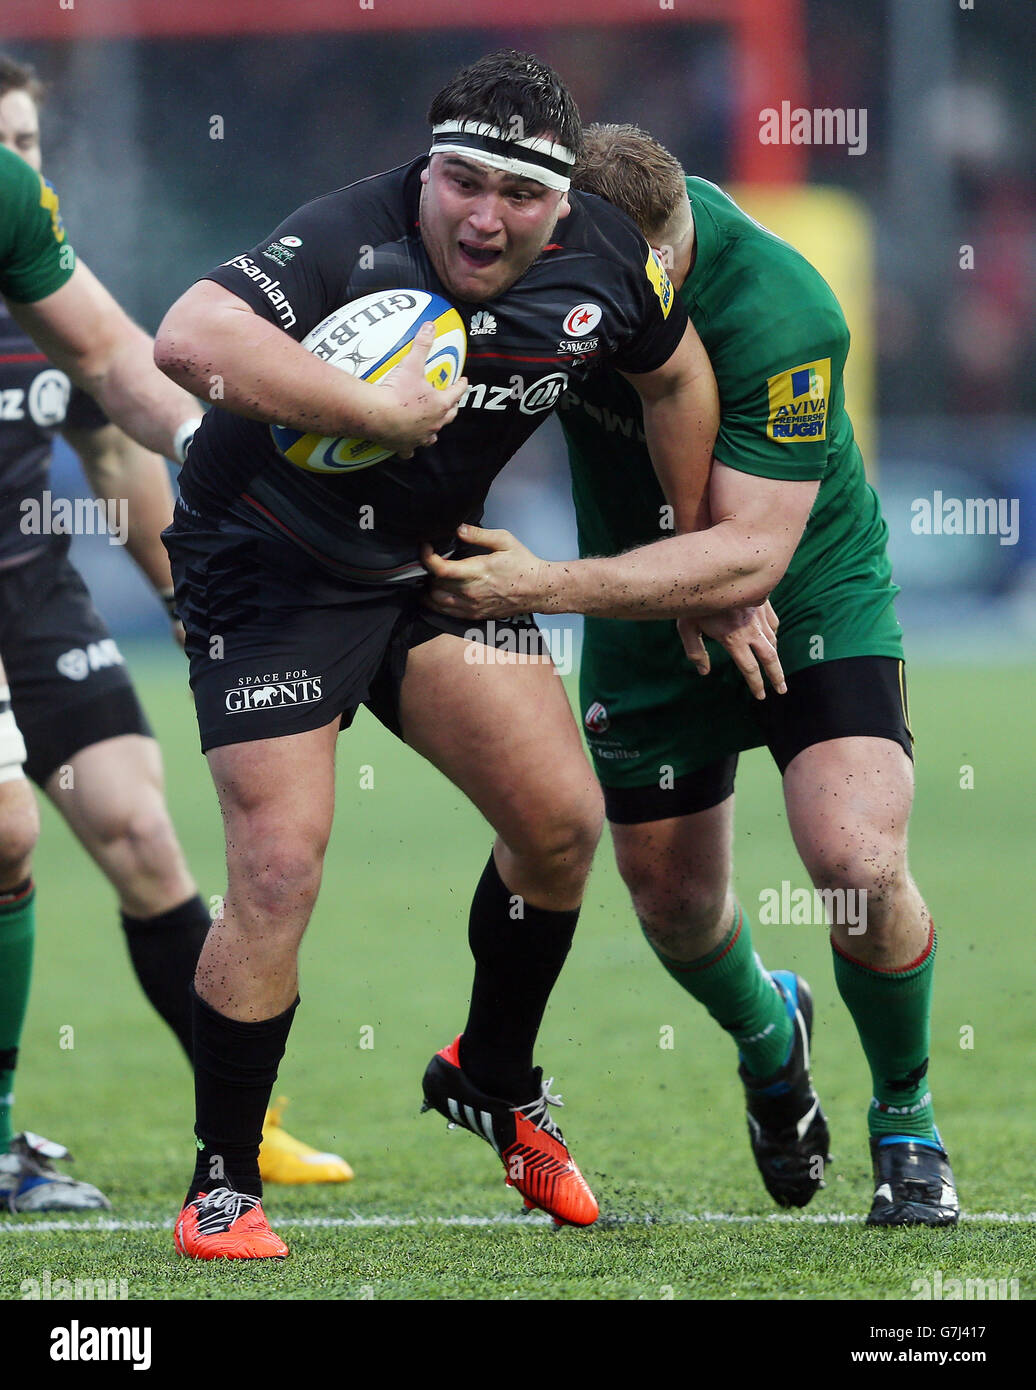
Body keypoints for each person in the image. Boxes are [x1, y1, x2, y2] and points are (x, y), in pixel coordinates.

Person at [153, 50, 769, 1260]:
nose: (482, 215)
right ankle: (221, 1185)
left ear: (562, 202)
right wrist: (371, 408)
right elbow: (188, 337)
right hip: (267, 567)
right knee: (277, 870)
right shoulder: (349, 234)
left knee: (558, 824)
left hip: (433, 567)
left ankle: (493, 1073)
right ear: (427, 169)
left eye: (518, 194)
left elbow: (677, 374)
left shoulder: (609, 260)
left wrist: (693, 546)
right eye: (461, 180)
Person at [424, 123, 959, 1228]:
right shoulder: (526, 258)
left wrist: (540, 585)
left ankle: (906, 1120)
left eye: (663, 270)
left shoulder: (784, 306)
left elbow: (750, 555)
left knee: (854, 855)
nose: (645, 293)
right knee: (672, 904)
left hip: (808, 594)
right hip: (637, 602)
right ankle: (773, 1041)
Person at [0, 55, 417, 1207]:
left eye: (31, 143)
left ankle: (243, 1115)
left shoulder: (21, 238)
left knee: (134, 828)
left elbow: (113, 392)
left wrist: (209, 505)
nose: (23, 163)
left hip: (30, 588)